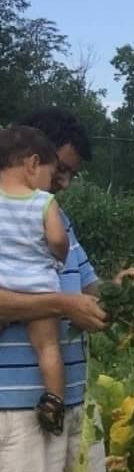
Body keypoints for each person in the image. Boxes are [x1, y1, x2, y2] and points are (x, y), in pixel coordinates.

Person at [0, 108, 134, 472]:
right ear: (31, 158)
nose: (63, 181)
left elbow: (87, 291)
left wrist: (119, 289)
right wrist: (63, 305)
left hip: (75, 407)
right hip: (20, 413)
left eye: (71, 174)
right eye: (59, 168)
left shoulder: (57, 219)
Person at [0, 125, 72, 435]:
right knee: (47, 347)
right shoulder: (43, 201)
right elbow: (57, 239)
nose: (52, 183)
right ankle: (53, 402)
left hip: (5, 285)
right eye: (50, 173)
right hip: (40, 287)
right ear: (32, 164)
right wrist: (60, 251)